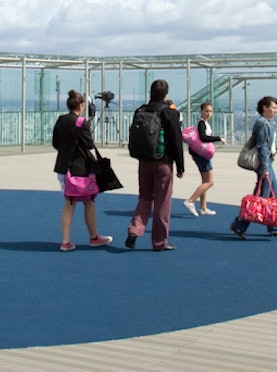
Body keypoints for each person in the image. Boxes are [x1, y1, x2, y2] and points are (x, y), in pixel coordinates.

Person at [125, 79, 185, 251]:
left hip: (144, 161)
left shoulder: (141, 110)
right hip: (163, 162)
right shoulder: (169, 112)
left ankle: (134, 229)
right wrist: (180, 166)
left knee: (144, 197)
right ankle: (159, 242)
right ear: (165, 94)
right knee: (162, 202)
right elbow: (176, 141)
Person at [51, 90, 113, 251]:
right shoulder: (81, 122)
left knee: (69, 203)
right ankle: (93, 237)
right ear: (81, 105)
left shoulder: (61, 120)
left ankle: (66, 240)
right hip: (80, 169)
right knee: (89, 202)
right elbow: (89, 145)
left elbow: (55, 143)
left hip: (63, 167)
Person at [230, 95, 277, 239]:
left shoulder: (267, 122)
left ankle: (272, 225)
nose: (275, 111)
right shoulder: (262, 123)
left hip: (267, 162)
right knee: (261, 196)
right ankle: (240, 224)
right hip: (264, 164)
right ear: (265, 108)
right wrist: (265, 168)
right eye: (273, 108)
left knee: (272, 192)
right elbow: (261, 146)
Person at [183, 101, 223, 215]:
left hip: (200, 155)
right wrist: (218, 138)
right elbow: (204, 138)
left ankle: (203, 207)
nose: (208, 113)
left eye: (210, 111)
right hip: (203, 156)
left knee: (205, 181)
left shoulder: (204, 123)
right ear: (201, 112)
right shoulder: (201, 123)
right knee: (210, 182)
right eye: (206, 111)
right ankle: (191, 200)